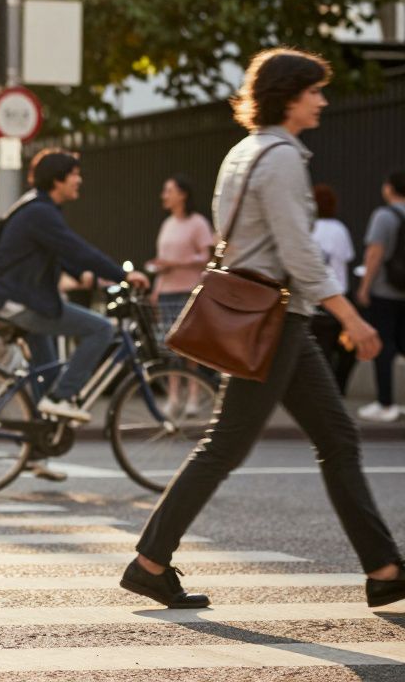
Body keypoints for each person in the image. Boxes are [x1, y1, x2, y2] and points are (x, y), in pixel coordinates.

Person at [122, 48, 403, 611]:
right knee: (227, 444)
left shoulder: (243, 153)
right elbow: (299, 254)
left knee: (335, 438)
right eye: (314, 91)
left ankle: (384, 569)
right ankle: (151, 561)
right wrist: (352, 319)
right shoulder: (279, 159)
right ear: (288, 96)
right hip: (274, 320)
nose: (322, 100)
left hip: (277, 319)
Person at [0, 152, 151, 423]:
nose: (79, 180)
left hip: (18, 299)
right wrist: (123, 275)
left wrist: (85, 276)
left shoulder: (36, 208)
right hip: (22, 301)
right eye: (74, 174)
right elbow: (78, 250)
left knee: (47, 375)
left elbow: (59, 254)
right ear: (57, 179)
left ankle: (40, 446)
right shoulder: (40, 212)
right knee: (101, 329)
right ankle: (61, 397)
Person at [355, 170, 405, 422]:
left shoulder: (384, 216)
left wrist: (364, 287)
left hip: (386, 291)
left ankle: (386, 404)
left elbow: (374, 254)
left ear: (389, 188)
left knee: (383, 347)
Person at [148, 175, 213, 345]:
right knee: (167, 344)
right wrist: (156, 290)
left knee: (190, 344)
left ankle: (191, 373)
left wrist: (176, 263)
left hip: (189, 292)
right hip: (166, 294)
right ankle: (173, 373)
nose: (164, 196)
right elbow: (163, 260)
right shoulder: (167, 224)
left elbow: (206, 257)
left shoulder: (198, 223)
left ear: (182, 194)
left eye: (169, 191)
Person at [310, 183, 358, 394]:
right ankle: (338, 388)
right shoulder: (340, 229)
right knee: (347, 347)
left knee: (320, 350)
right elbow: (347, 258)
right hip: (340, 296)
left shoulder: (308, 229)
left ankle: (323, 392)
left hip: (314, 298)